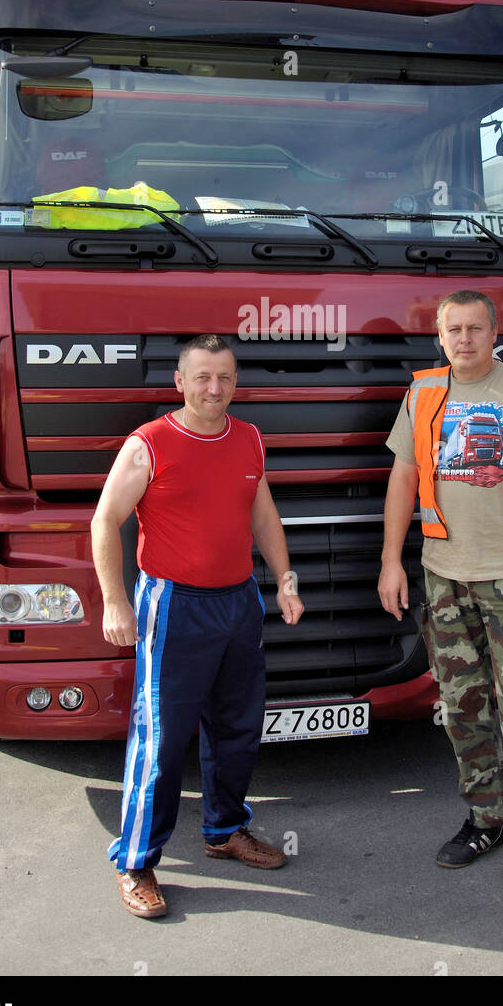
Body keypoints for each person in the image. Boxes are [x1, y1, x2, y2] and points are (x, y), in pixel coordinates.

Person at [378, 290, 503, 906]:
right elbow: (403, 479)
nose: (463, 339)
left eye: (474, 328)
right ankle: (485, 822)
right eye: (452, 330)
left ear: (495, 334)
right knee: (463, 710)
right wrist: (392, 561)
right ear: (438, 337)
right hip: (445, 579)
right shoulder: (423, 396)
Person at [92, 333, 304, 918]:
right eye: (203, 377)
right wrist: (116, 603)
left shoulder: (249, 439)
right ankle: (135, 860)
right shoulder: (150, 444)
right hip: (173, 604)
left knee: (237, 725)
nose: (215, 389)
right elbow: (104, 521)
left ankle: (225, 831)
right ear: (180, 381)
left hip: (238, 603)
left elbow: (261, 512)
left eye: (226, 378)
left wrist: (284, 580)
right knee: (160, 736)